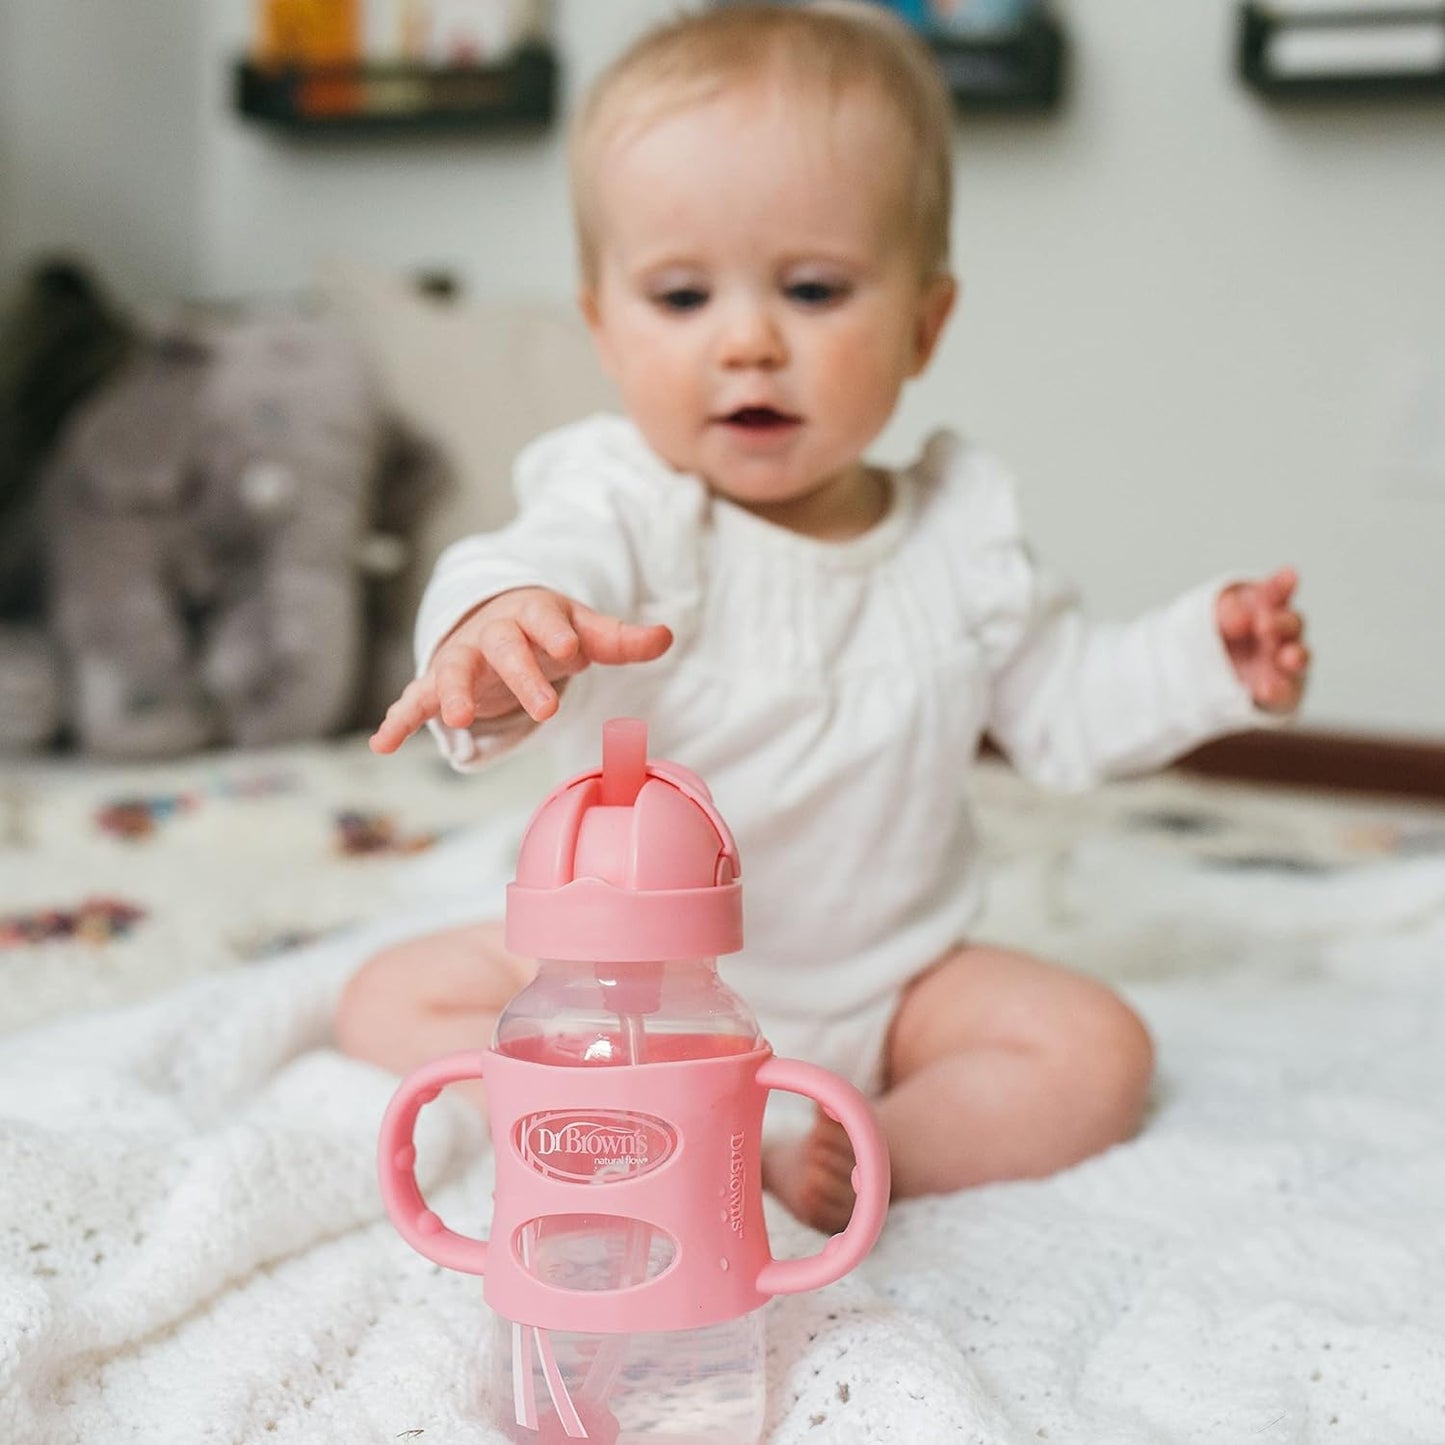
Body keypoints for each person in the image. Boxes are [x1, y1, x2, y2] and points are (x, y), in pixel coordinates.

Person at [336, 2, 1310, 1235]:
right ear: (604, 326)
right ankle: (635, 1107)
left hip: (893, 990)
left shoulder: (960, 538)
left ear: (923, 322)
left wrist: (1198, 657)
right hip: (630, 990)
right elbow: (528, 559)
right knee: (383, 997)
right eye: (681, 296)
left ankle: (851, 1145)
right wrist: (499, 624)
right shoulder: (624, 506)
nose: (746, 341)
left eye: (810, 288)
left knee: (1094, 1047)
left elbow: (1068, 711)